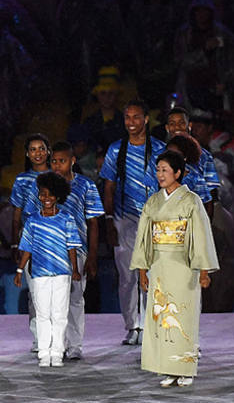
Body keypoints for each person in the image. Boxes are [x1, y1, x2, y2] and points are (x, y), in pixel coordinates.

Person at [130, 150, 219, 388]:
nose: (160, 174)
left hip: (183, 265)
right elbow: (144, 237)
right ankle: (167, 368)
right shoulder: (153, 201)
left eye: (165, 170)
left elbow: (200, 236)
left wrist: (202, 270)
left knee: (183, 315)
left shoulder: (191, 201)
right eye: (158, 170)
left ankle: (185, 368)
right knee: (161, 317)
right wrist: (142, 269)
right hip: (159, 264)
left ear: (178, 173)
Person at [99, 99, 166, 345]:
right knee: (127, 275)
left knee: (152, 273)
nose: (131, 122)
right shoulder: (116, 150)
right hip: (123, 218)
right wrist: (108, 221)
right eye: (127, 117)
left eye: (136, 117)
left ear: (146, 119)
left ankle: (150, 323)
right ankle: (132, 325)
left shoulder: (159, 149)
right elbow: (109, 186)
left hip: (154, 219)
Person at [14, 172, 82, 368]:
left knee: (59, 313)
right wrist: (19, 271)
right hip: (39, 273)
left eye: (51, 195)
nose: (46, 199)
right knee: (42, 313)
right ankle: (44, 352)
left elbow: (72, 247)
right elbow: (26, 247)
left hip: (62, 273)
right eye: (43, 194)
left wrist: (75, 269)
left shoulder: (67, 219)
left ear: (58, 196)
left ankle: (57, 352)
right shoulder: (33, 220)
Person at [49, 141, 105, 360]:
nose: (57, 166)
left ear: (72, 161)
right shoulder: (44, 185)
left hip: (77, 250)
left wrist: (92, 256)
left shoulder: (86, 186)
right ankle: (57, 343)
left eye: (62, 161)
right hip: (51, 250)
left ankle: (75, 344)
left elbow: (93, 223)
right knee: (54, 299)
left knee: (75, 297)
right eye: (54, 161)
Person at [9, 133, 50, 352]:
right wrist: (15, 243)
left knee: (54, 287)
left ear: (48, 151)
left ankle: (56, 333)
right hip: (29, 238)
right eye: (33, 149)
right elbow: (16, 213)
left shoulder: (57, 176)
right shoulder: (22, 180)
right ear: (27, 153)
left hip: (54, 238)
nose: (37, 153)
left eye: (41, 148)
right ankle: (38, 336)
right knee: (35, 289)